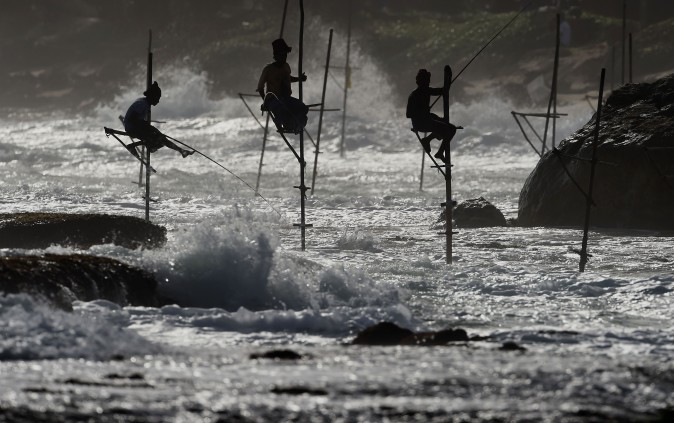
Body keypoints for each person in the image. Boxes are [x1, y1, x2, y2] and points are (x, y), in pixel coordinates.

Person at [123, 81, 194, 158]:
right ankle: (134, 146)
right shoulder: (142, 104)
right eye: (157, 98)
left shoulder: (145, 103)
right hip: (132, 128)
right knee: (159, 138)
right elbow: (132, 119)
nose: (158, 101)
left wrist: (148, 128)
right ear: (152, 96)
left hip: (136, 126)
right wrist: (147, 127)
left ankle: (181, 151)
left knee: (161, 138)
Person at [256, 38, 309, 134]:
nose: (284, 58)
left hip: (286, 98)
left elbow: (288, 78)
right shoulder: (268, 69)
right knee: (282, 109)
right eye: (281, 55)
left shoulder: (286, 66)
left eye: (285, 55)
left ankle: (293, 126)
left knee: (303, 108)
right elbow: (260, 88)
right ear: (276, 56)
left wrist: (299, 79)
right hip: (273, 100)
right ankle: (282, 124)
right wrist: (265, 102)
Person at [406, 69, 457, 162]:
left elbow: (444, 91)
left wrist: (449, 78)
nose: (429, 82)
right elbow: (408, 114)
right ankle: (440, 153)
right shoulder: (414, 95)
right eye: (426, 80)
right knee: (449, 130)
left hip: (428, 120)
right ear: (420, 81)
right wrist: (422, 111)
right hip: (420, 124)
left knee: (451, 128)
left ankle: (427, 140)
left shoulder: (427, 90)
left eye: (429, 80)